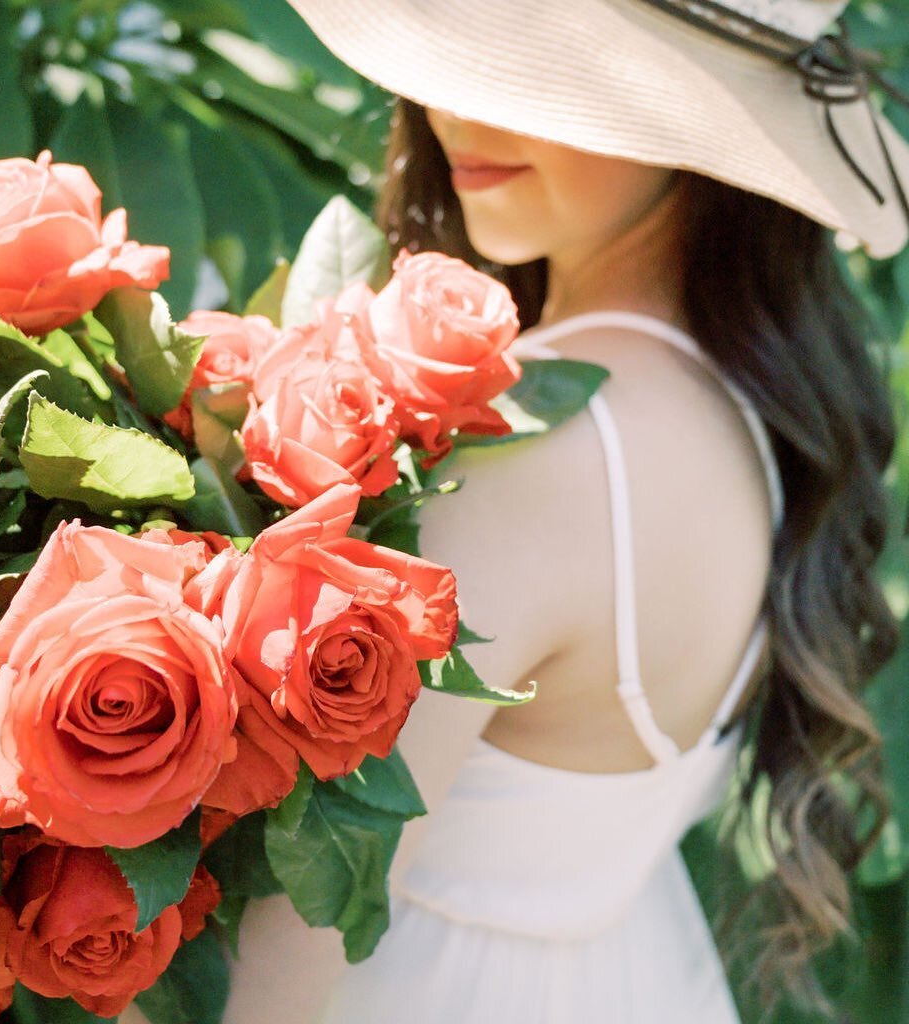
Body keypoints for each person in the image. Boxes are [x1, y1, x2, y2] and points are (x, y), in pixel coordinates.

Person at [205, 2, 909, 1022]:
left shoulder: (543, 450)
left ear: (696, 115)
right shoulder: (737, 410)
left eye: (540, 67)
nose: (454, 108)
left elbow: (279, 968)